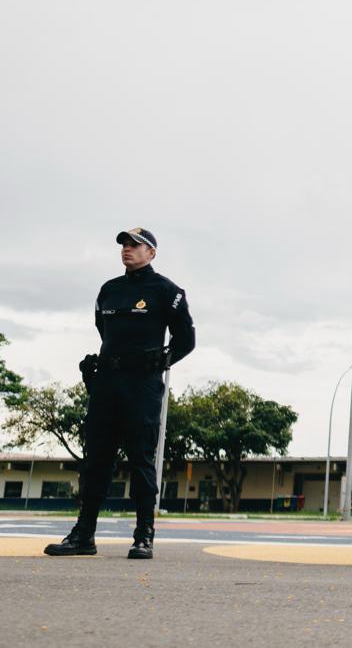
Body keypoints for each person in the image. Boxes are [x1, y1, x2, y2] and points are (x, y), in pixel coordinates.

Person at [46, 227, 195, 560]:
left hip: (141, 386)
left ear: (151, 253)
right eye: (124, 245)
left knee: (141, 460)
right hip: (107, 384)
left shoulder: (166, 291)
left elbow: (186, 340)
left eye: (135, 245)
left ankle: (144, 536)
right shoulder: (109, 290)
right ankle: (84, 536)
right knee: (96, 461)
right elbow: (104, 330)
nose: (127, 250)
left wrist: (160, 361)